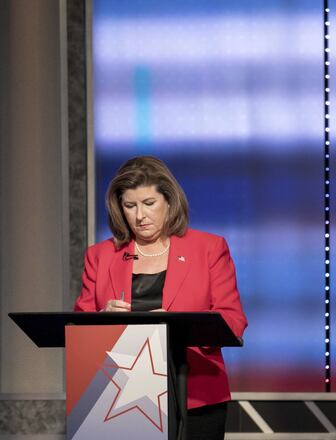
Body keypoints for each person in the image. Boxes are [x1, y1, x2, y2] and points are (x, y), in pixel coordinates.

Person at [74, 156, 248, 440]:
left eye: (149, 203)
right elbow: (78, 326)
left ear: (169, 201)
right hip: (118, 396)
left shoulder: (209, 248)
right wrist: (102, 319)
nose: (139, 216)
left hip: (195, 392)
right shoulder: (100, 255)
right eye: (129, 206)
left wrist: (175, 326)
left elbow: (233, 319)